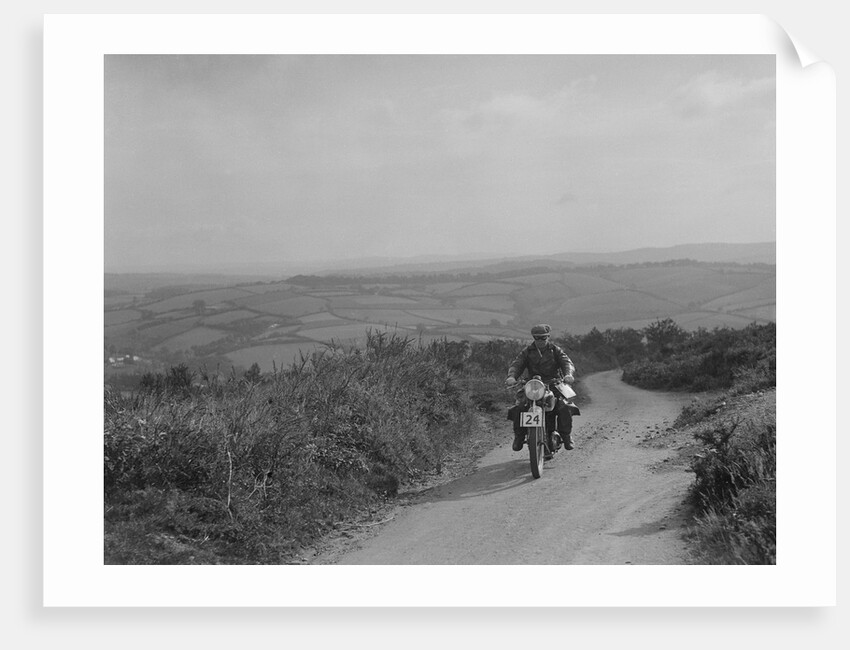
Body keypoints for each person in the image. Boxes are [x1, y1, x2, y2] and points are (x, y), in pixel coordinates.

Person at [504, 324, 577, 455]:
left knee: (563, 407)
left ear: (548, 337)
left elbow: (567, 363)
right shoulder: (527, 351)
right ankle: (519, 437)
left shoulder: (555, 350)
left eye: (543, 338)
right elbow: (517, 364)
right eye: (537, 338)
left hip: (553, 384)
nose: (540, 341)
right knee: (519, 407)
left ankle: (566, 437)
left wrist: (568, 374)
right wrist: (512, 376)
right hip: (533, 385)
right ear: (533, 338)